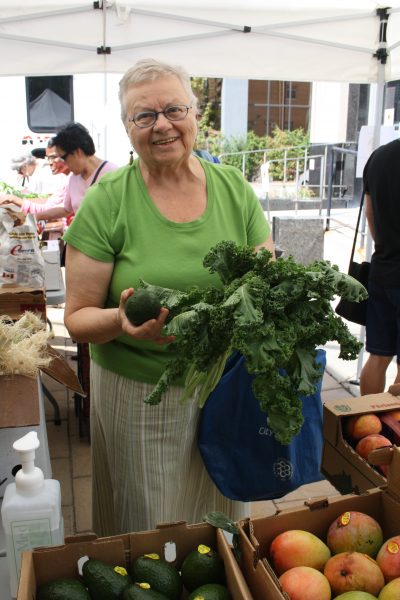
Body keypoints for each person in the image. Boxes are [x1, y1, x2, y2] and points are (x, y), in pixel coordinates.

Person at [62, 58, 274, 537]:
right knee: (149, 525)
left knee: (221, 511)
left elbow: (264, 273)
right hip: (140, 395)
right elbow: (76, 318)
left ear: (195, 115)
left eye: (174, 109)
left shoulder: (233, 188)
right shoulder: (107, 201)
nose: (162, 125)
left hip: (223, 387)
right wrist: (120, 321)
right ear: (126, 128)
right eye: (144, 115)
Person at [359, 138, 400, 395]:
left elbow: (370, 214)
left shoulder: (379, 157)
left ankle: (364, 421)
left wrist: (385, 247)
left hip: (382, 271)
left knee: (377, 356)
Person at [35, 122, 118, 224]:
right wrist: (37, 216)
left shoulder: (113, 175)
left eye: (64, 157)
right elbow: (66, 209)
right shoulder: (73, 179)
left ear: (77, 152)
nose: (63, 162)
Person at [0, 139, 70, 216]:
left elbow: (49, 203)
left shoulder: (44, 174)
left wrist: (14, 199)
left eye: (19, 171)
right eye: (48, 158)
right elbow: (46, 206)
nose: (50, 162)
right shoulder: (39, 167)